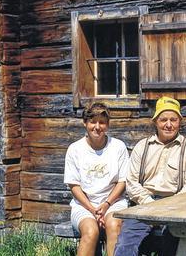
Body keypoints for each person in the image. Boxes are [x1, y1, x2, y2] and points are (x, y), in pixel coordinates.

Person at [114, 96, 186, 256]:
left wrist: (166, 208)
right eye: (164, 120)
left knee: (174, 246)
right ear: (155, 122)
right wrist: (149, 204)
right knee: (124, 247)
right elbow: (132, 183)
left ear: (179, 121)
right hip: (142, 205)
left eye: (173, 120)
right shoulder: (142, 147)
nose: (169, 125)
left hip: (175, 208)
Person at [63, 102, 130, 256]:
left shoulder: (118, 147)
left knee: (113, 225)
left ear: (108, 125)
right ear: (85, 123)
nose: (97, 127)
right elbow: (74, 186)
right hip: (84, 204)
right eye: (93, 121)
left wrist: (106, 205)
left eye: (102, 122)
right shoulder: (75, 149)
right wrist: (92, 209)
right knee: (90, 230)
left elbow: (123, 181)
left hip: (113, 202)